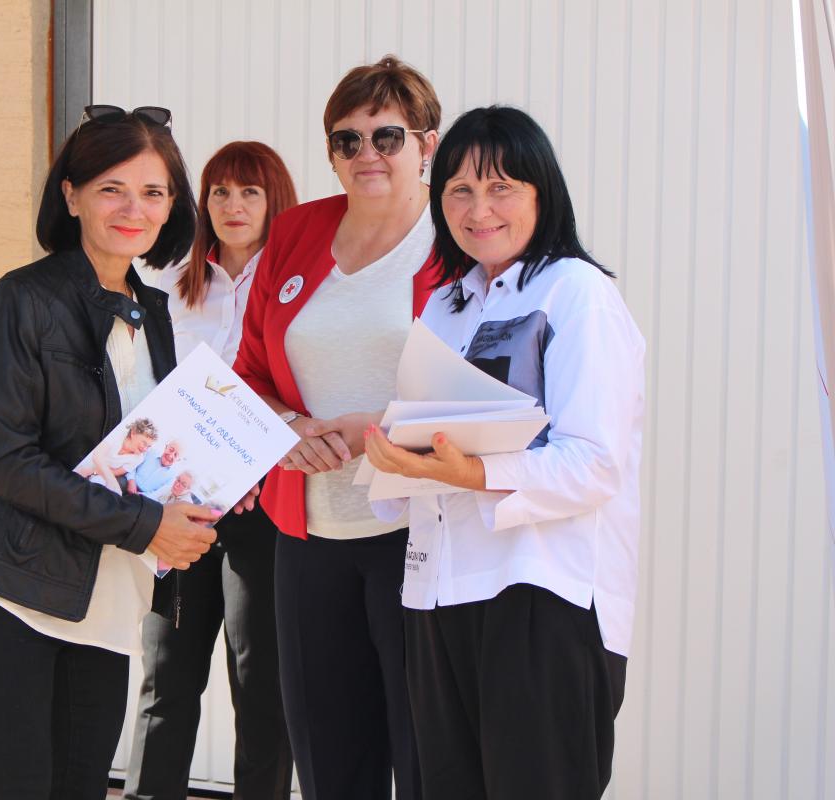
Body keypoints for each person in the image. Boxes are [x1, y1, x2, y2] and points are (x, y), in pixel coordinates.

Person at [364, 105, 644, 800]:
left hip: (541, 592)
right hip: (438, 591)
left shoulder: (577, 293)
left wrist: (473, 472)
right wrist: (390, 457)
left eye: (500, 188)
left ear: (542, 193)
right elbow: (425, 439)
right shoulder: (446, 305)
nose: (478, 209)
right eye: (459, 190)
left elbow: (594, 462)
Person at [0, 105, 222, 800]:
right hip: (15, 597)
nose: (134, 209)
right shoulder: (20, 302)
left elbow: (146, 447)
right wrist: (146, 525)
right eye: (111, 189)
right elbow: (3, 460)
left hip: (108, 602)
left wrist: (207, 489)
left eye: (153, 192)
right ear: (71, 196)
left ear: (171, 206)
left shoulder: (152, 312)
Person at [232, 57, 442, 800]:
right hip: (308, 536)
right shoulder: (296, 231)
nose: (366, 154)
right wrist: (286, 427)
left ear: (427, 144)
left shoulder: (454, 239)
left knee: (426, 755)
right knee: (329, 761)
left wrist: (376, 431)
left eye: (387, 136)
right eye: (346, 140)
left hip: (419, 532)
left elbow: (485, 391)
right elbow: (248, 373)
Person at [124, 141, 298, 800]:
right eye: (220, 192)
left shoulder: (297, 289)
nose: (232, 205)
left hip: (263, 509)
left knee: (262, 688)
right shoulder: (170, 285)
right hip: (181, 508)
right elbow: (145, 388)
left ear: (275, 200)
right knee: (166, 678)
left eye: (250, 191)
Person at [77, 418, 159, 492]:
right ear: (133, 433)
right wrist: (112, 482)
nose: (145, 449)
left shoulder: (139, 458)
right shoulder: (117, 433)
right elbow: (97, 455)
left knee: (98, 484)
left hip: (100, 473)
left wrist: (93, 472)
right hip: (85, 458)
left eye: (148, 446)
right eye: (144, 443)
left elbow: (115, 472)